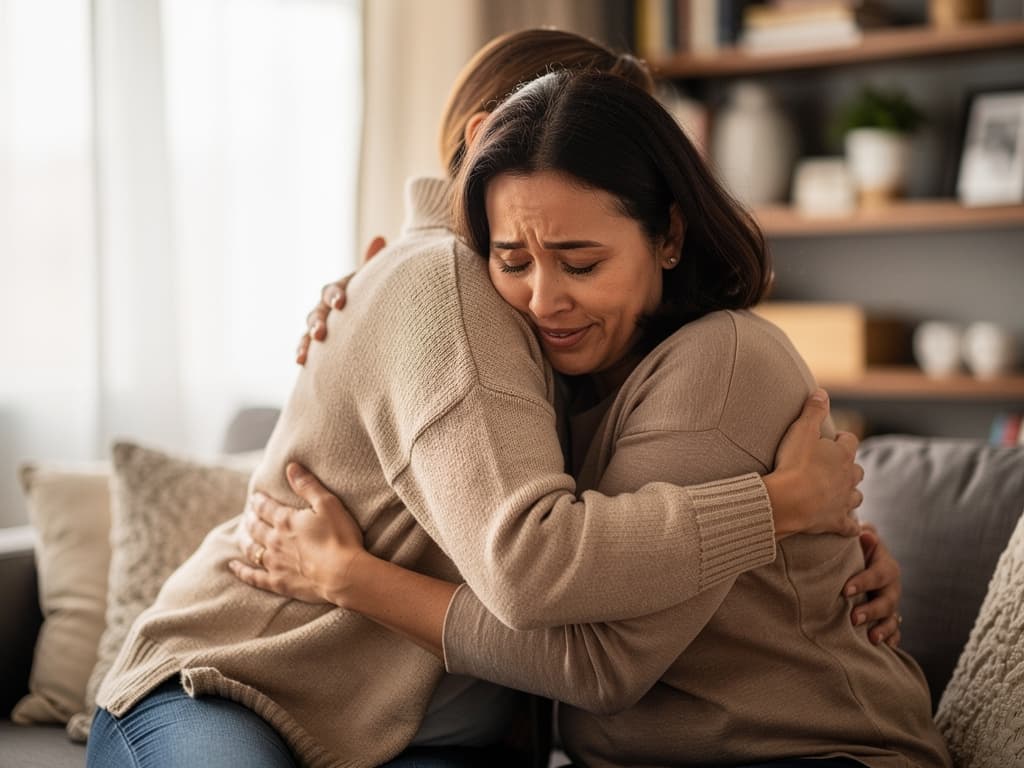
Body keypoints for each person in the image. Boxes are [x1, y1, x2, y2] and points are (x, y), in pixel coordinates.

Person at [87, 31, 878, 768]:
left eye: (580, 257)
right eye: (518, 256)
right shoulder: (445, 285)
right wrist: (776, 509)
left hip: (411, 728)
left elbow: (598, 576)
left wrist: (827, 549)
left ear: (663, 225)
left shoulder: (596, 351)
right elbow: (536, 567)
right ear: (493, 137)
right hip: (236, 685)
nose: (543, 298)